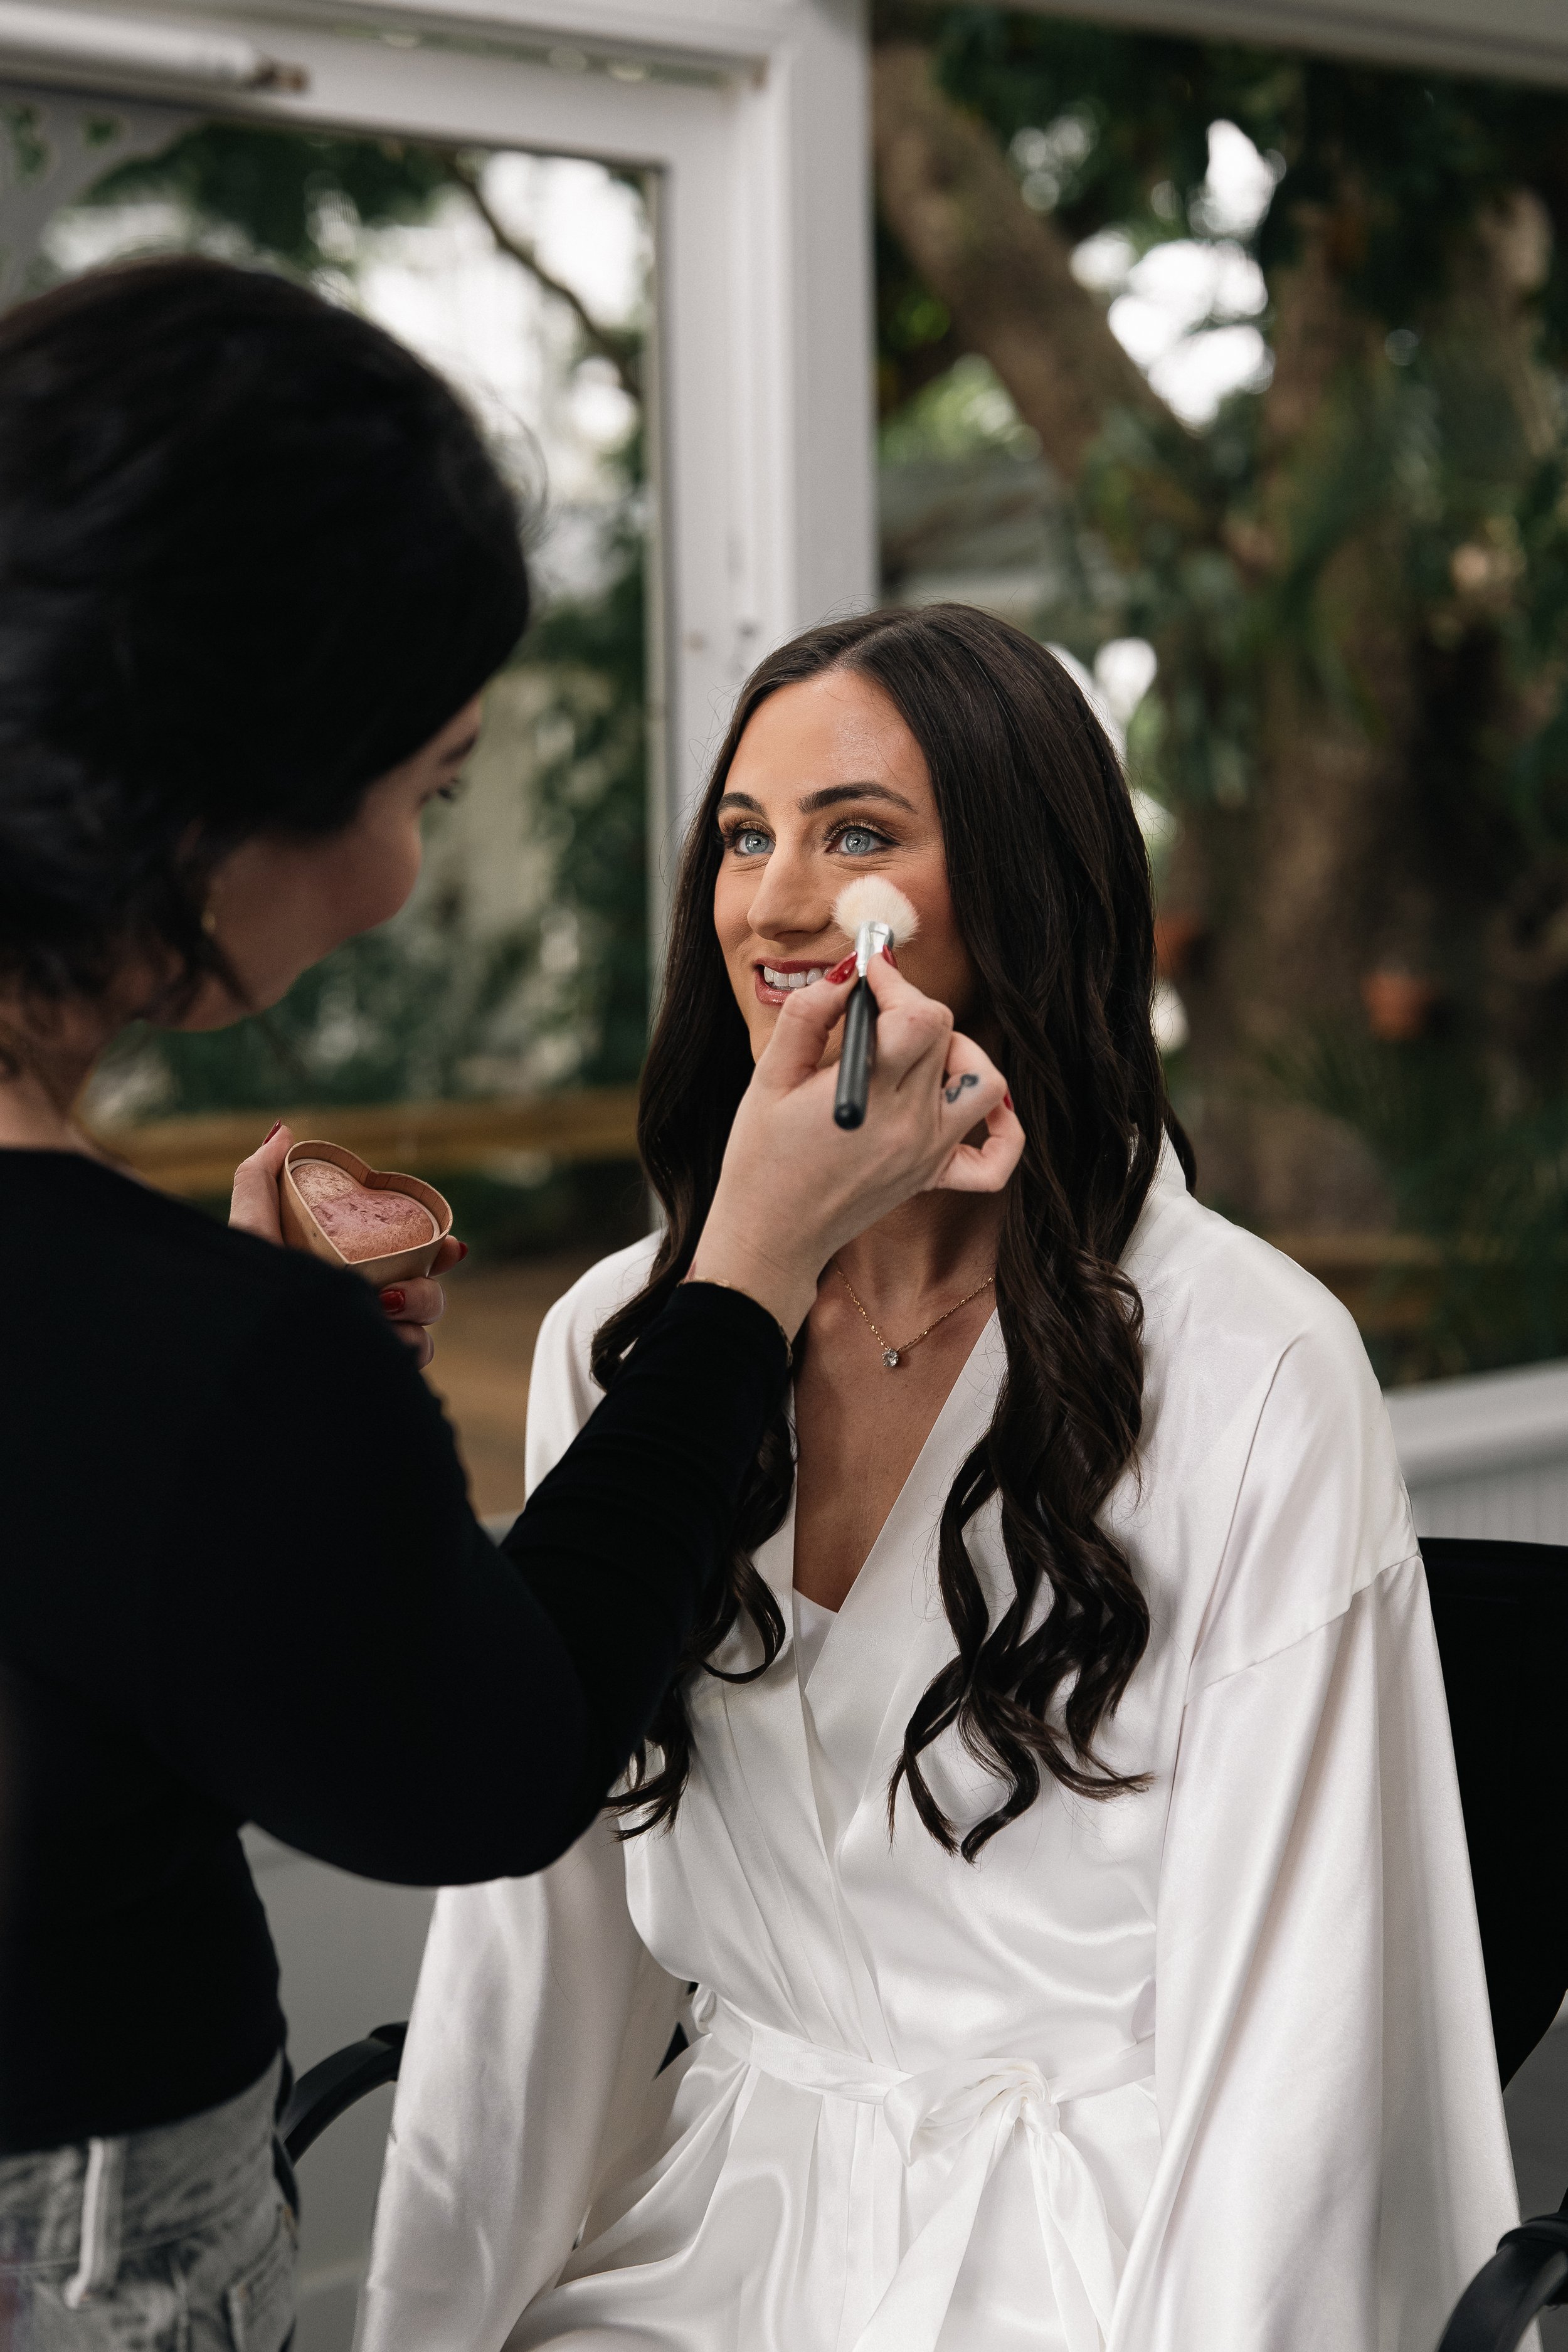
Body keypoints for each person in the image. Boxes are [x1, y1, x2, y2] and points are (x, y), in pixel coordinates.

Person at [0, 265, 1020, 2349]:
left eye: (849, 836)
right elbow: (484, 1768)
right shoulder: (220, 1355)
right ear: (223, 787)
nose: (400, 871)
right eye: (426, 788)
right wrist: (750, 1269)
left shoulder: (1239, 1358)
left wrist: (234, 1415)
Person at [361, 604, 1520, 2352]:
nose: (772, 900)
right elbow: (530, 1952)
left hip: (1109, 2265)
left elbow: (1295, 2070)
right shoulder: (626, 1342)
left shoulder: (1254, 1367)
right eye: (742, 835)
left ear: (1022, 890)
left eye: (855, 835)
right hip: (720, 2242)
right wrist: (426, 2326)